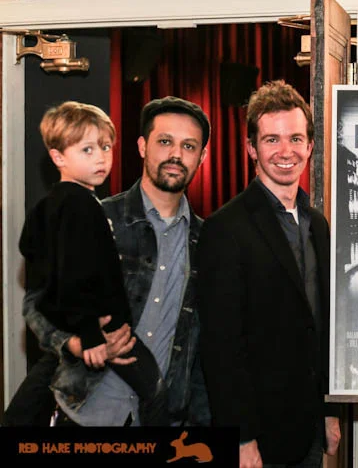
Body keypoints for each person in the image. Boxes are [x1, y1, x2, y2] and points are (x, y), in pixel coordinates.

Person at [5, 96, 212, 427]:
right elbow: (37, 304)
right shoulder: (98, 217)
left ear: (202, 156)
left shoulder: (210, 242)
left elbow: (204, 352)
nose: (175, 154)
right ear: (142, 146)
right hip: (84, 411)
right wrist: (75, 343)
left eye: (188, 146)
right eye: (164, 141)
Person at [197, 80, 340, 468]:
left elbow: (321, 327)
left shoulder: (317, 225)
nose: (285, 151)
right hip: (258, 436)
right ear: (251, 149)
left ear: (310, 146)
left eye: (295, 138)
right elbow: (221, 347)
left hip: (309, 428)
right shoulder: (225, 228)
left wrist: (330, 409)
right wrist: (241, 437)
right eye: (272, 139)